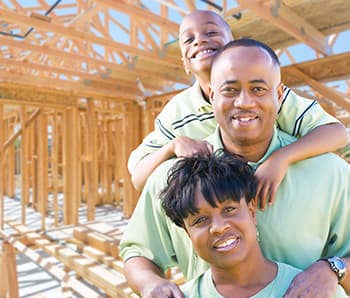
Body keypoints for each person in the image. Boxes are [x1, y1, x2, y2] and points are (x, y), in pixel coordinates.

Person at [120, 38, 350, 298]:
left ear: (279, 95)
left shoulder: (330, 174)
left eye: (258, 89)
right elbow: (138, 252)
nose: (244, 102)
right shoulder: (172, 180)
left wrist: (331, 270)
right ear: (212, 95)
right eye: (230, 90)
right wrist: (149, 284)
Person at [128, 10, 349, 212]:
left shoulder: (267, 98)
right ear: (185, 62)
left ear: (232, 47)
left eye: (211, 32)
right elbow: (139, 179)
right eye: (188, 39)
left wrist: (281, 158)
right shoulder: (177, 112)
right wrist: (172, 147)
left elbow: (337, 133)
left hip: (279, 205)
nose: (200, 40)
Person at [147, 152, 350, 298]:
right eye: (200, 220)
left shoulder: (319, 296)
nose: (218, 227)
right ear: (188, 234)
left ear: (252, 213)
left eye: (229, 209)